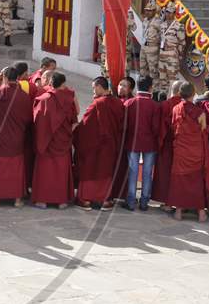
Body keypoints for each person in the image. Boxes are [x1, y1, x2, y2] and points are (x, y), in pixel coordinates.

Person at [0, 65, 33, 208]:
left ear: (4, 77)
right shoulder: (24, 96)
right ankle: (17, 199)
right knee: (16, 165)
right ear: (18, 78)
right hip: (17, 135)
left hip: (1, 136)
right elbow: (29, 118)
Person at [74, 77, 125, 210]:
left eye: (93, 88)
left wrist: (75, 130)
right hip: (111, 145)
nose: (93, 91)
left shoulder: (98, 104)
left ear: (99, 87)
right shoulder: (119, 103)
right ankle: (105, 200)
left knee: (90, 169)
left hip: (95, 145)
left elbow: (85, 125)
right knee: (105, 171)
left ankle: (85, 199)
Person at [32, 71, 77, 209]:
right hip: (62, 141)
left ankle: (43, 201)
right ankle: (61, 201)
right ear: (63, 84)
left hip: (46, 142)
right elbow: (74, 119)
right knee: (61, 170)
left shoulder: (43, 99)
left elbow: (37, 119)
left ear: (51, 83)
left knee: (46, 171)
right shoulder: (70, 99)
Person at [168, 83, 209, 222]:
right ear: (193, 94)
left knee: (180, 180)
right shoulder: (200, 113)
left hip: (181, 150)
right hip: (196, 151)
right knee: (197, 181)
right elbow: (203, 131)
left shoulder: (175, 109)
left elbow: (174, 128)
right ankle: (201, 214)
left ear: (180, 94)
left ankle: (179, 212)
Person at [122, 76, 159, 211]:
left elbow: (124, 126)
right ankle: (144, 202)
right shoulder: (155, 105)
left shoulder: (129, 103)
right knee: (147, 172)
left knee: (133, 171)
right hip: (150, 143)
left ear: (137, 87)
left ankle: (131, 201)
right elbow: (156, 128)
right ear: (150, 88)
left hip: (132, 142)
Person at [152, 80, 183, 208]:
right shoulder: (186, 105)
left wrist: (158, 142)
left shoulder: (164, 105)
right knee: (179, 174)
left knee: (165, 173)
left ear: (173, 90)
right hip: (181, 145)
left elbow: (158, 127)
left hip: (165, 144)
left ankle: (166, 202)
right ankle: (179, 202)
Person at [158, 6, 185, 96]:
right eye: (167, 12)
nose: (168, 14)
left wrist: (179, 57)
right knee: (162, 80)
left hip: (172, 56)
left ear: (174, 13)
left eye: (170, 12)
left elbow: (182, 43)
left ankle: (172, 100)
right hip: (162, 55)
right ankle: (163, 100)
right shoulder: (162, 25)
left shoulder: (179, 26)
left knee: (172, 81)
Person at [139, 0, 161, 92]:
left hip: (153, 47)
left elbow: (162, 35)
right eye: (146, 10)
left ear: (154, 11)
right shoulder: (145, 20)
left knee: (153, 72)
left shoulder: (158, 22)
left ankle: (154, 92)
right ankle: (144, 89)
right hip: (144, 46)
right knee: (143, 70)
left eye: (150, 10)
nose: (147, 12)